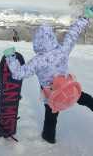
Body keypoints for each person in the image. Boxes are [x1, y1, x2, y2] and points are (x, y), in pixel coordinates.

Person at [6, 9, 93, 144]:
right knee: (84, 98)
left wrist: (10, 57)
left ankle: (48, 137)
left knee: (51, 118)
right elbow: (73, 34)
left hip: (53, 97)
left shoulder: (38, 60)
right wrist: (85, 18)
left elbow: (18, 74)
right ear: (52, 37)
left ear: (37, 42)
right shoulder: (62, 50)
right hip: (69, 89)